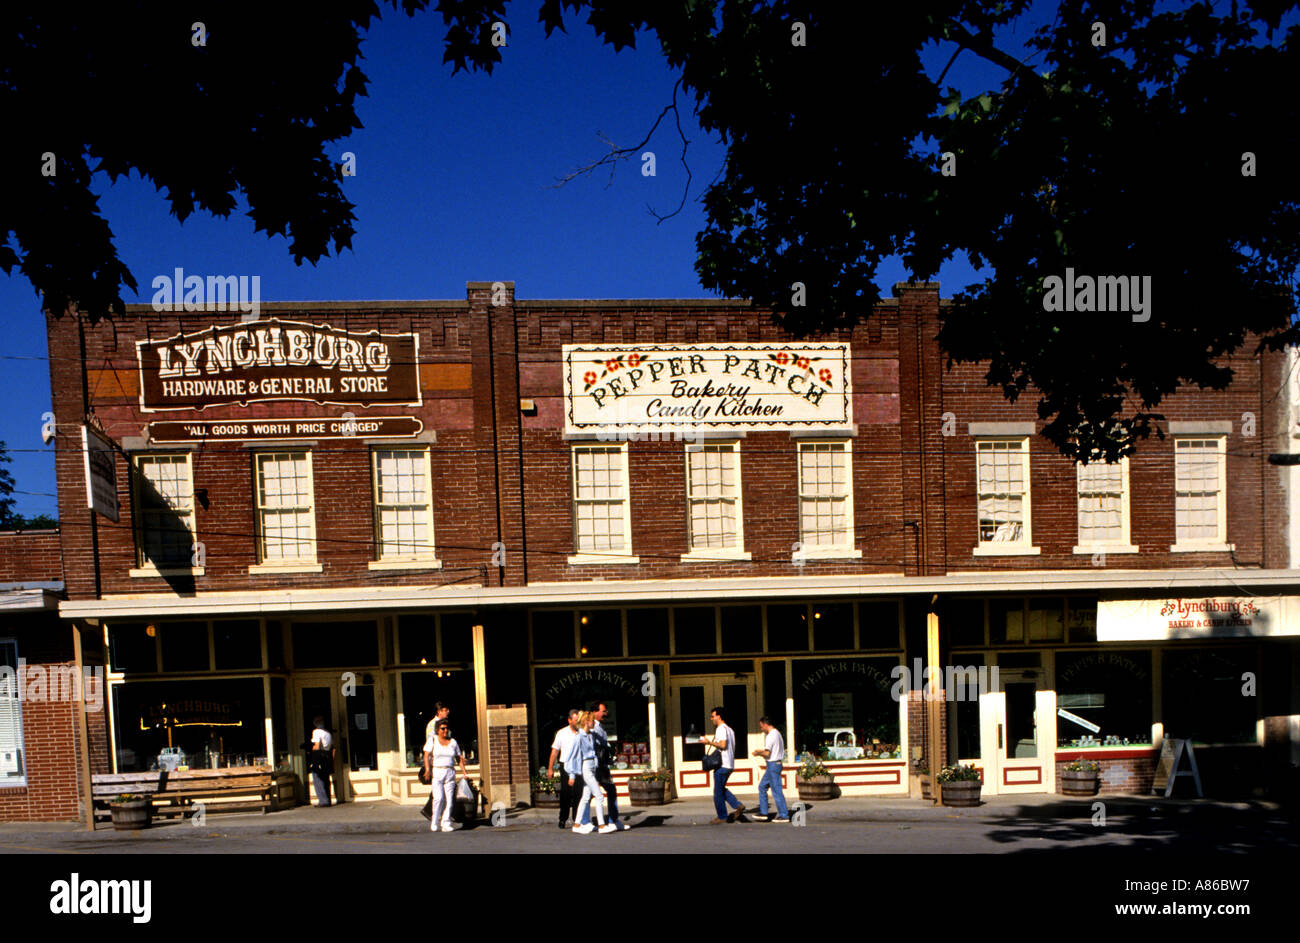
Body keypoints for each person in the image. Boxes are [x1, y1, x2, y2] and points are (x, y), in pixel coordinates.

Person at [565, 710, 615, 834]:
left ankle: (577, 825)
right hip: (586, 767)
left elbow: (602, 740)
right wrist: (571, 775)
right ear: (587, 722)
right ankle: (602, 826)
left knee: (586, 797)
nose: (594, 723)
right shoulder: (578, 737)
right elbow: (571, 757)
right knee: (599, 796)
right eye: (592, 720)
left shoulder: (591, 735)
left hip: (593, 766)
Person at [578, 701, 625, 830]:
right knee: (593, 793)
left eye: (605, 711)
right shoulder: (592, 728)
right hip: (595, 765)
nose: (606, 713)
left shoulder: (600, 726)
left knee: (599, 791)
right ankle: (587, 822)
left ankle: (610, 820)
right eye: (603, 711)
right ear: (594, 712)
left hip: (600, 764)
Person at [700, 706, 743, 823]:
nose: (711, 719)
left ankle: (722, 816)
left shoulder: (721, 729)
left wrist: (709, 742)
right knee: (721, 789)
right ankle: (738, 805)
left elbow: (723, 745)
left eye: (713, 716)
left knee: (717, 793)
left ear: (719, 716)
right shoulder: (730, 730)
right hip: (729, 764)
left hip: (722, 765)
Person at [426, 719, 469, 833]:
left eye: (446, 728)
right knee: (439, 799)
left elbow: (459, 759)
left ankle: (446, 823)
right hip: (437, 771)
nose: (445, 731)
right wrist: (427, 770)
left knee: (449, 800)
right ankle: (435, 821)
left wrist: (465, 773)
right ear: (437, 730)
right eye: (442, 729)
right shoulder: (433, 740)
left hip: (450, 772)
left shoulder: (453, 742)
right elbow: (426, 755)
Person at [546, 709, 583, 829]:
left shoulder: (582, 732)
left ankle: (577, 819)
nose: (578, 722)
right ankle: (563, 818)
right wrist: (550, 768)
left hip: (578, 766)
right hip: (566, 765)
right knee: (566, 793)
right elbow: (555, 751)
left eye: (579, 720)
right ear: (569, 720)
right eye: (576, 720)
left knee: (578, 793)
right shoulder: (561, 733)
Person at [753, 716, 790, 823]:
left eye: (761, 727)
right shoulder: (777, 733)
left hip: (773, 764)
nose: (761, 729)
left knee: (776, 790)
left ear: (765, 724)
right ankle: (764, 813)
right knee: (762, 786)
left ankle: (784, 815)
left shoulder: (770, 736)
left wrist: (758, 753)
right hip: (775, 764)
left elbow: (767, 753)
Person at [420, 703, 452, 821]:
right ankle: (431, 812)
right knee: (438, 788)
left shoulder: (445, 724)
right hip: (436, 762)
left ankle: (436, 812)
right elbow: (431, 745)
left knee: (440, 788)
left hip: (444, 761)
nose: (448, 712)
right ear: (439, 711)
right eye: (445, 710)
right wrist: (428, 767)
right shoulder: (432, 725)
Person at [308, 716, 335, 807]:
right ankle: (328, 799)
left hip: (319, 757)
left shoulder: (316, 732)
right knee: (326, 778)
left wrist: (312, 756)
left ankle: (323, 800)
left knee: (318, 778)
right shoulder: (328, 734)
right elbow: (333, 748)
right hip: (327, 757)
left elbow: (316, 745)